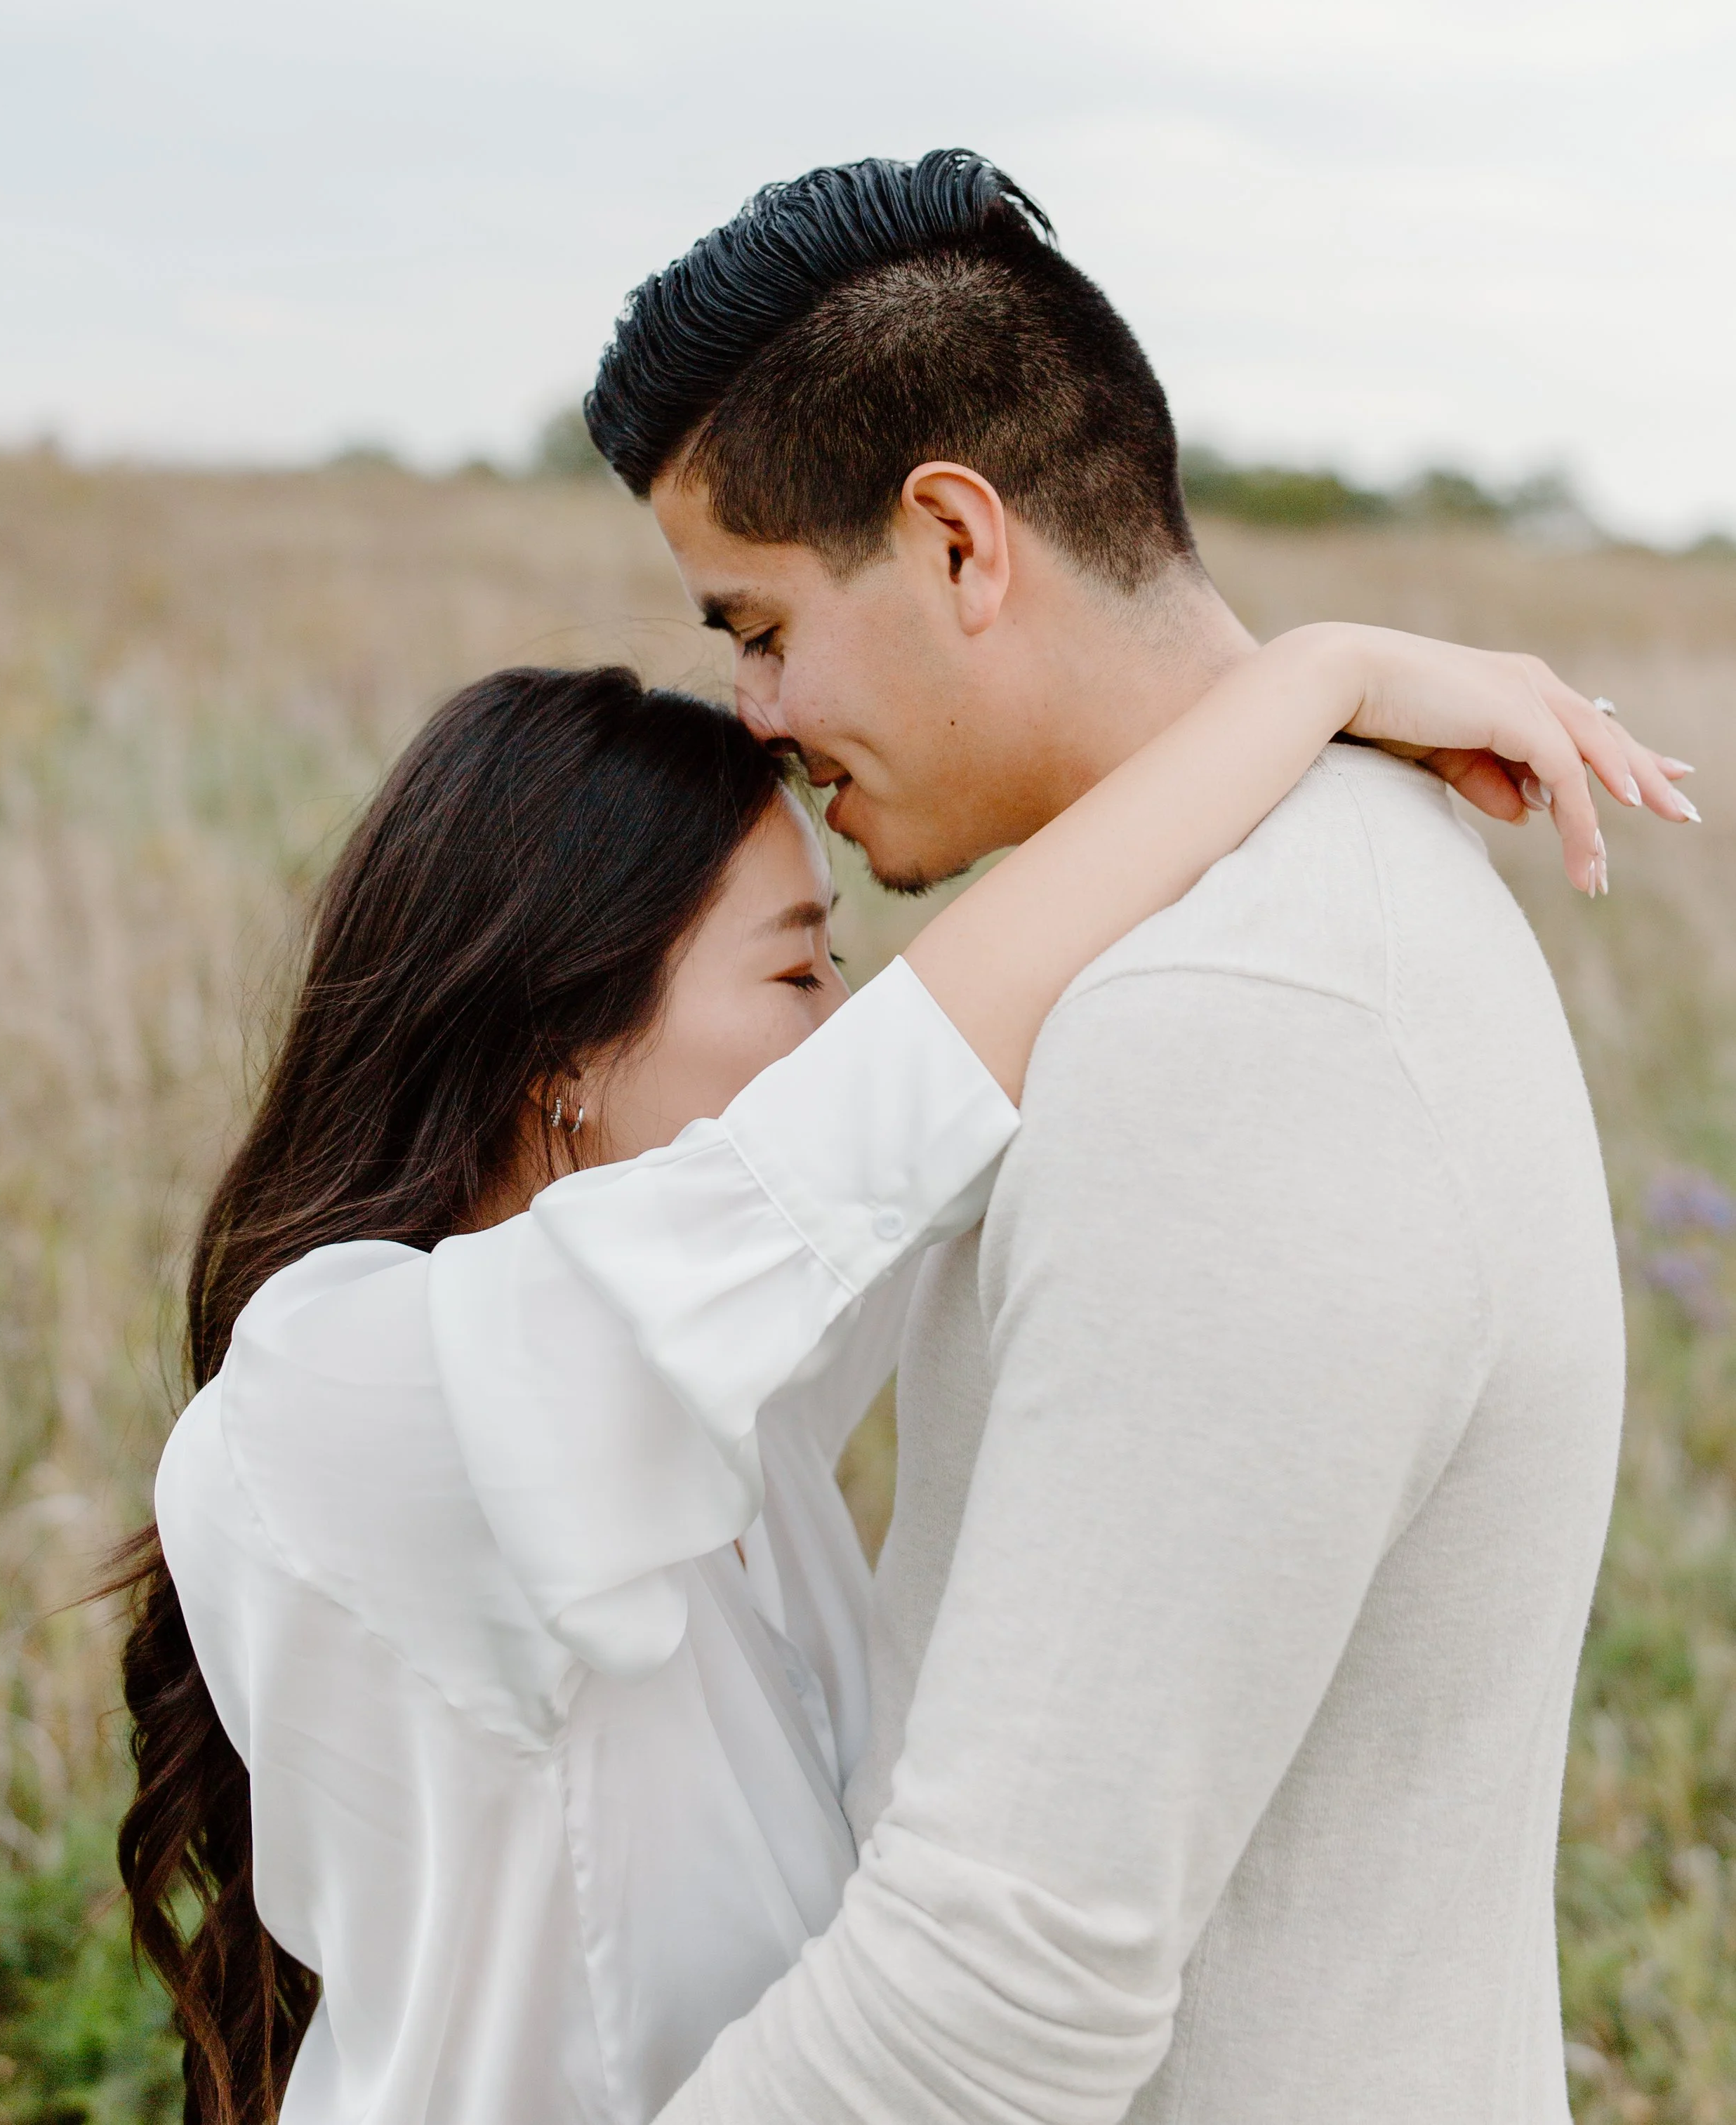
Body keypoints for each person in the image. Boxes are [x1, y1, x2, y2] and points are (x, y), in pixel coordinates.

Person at [125, 629, 1669, 2123]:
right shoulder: (344, 1390)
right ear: (561, 1052)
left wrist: (1303, 771)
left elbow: (949, 1110)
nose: (840, 1024)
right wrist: (1316, 675)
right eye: (796, 975)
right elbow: (901, 1092)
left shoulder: (728, 1392)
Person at [580, 150, 1697, 2125]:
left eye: (756, 624)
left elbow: (994, 1998)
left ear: (954, 542)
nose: (748, 707)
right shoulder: (1284, 906)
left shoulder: (1238, 1024)